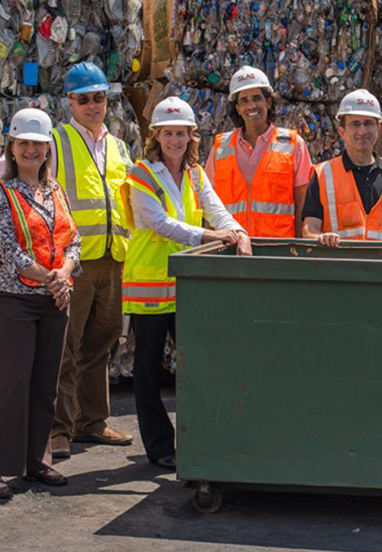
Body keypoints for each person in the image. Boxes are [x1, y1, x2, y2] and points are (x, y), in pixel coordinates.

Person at [121, 97, 251, 470]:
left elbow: (216, 207)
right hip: (149, 284)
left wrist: (238, 232)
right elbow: (160, 223)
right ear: (156, 136)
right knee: (147, 370)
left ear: (192, 136)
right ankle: (160, 446)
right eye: (168, 134)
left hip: (185, 286)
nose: (175, 141)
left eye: (181, 134)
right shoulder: (140, 174)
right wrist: (210, 237)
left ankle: (202, 438)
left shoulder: (195, 174)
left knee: (198, 363)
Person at [0, 108, 80, 499]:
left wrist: (66, 271)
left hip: (53, 299)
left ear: (47, 150)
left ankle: (38, 461)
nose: (31, 151)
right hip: (14, 299)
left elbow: (73, 239)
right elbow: (9, 250)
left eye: (38, 145)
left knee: (44, 385)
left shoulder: (55, 192)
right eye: (23, 143)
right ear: (12, 147)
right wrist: (52, 277)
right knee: (13, 382)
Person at [50, 62, 133, 458]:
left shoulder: (118, 147)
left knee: (101, 344)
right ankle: (57, 429)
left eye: (99, 97)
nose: (93, 105)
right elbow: (12, 174)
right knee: (65, 345)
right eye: (84, 99)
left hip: (113, 259)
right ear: (70, 102)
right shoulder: (56, 141)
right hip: (74, 261)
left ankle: (92, 422)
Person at [205, 65, 312, 237]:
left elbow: (303, 204)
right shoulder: (220, 147)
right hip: (231, 249)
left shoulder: (293, 145)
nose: (251, 106)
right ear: (238, 108)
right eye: (244, 101)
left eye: (257, 98)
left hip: (276, 251)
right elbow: (208, 203)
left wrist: (299, 250)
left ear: (268, 102)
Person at [302, 89, 382, 246]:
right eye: (355, 124)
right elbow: (309, 229)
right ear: (342, 132)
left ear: (378, 129)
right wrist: (320, 238)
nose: (362, 131)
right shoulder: (323, 175)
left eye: (368, 123)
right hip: (340, 267)